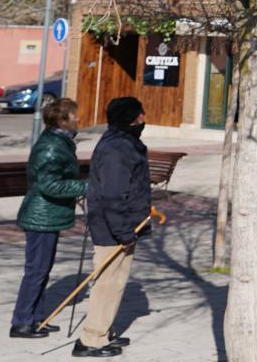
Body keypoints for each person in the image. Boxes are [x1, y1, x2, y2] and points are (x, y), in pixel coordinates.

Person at [76, 96, 150, 358]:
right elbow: (112, 195)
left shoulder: (122, 143)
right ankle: (91, 339)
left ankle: (102, 331)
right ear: (132, 117)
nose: (144, 119)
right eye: (140, 114)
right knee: (108, 283)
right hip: (113, 228)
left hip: (121, 225)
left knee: (115, 282)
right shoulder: (118, 148)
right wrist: (124, 232)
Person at [9, 97, 88, 340]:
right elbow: (50, 184)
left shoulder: (59, 141)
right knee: (36, 270)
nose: (78, 119)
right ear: (63, 120)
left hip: (48, 215)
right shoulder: (51, 147)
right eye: (74, 116)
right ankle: (21, 322)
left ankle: (37, 317)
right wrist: (85, 187)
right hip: (41, 216)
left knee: (42, 269)